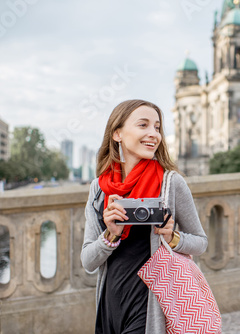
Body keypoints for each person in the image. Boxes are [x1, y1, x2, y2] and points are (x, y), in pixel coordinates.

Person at [81, 99, 208, 334]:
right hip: (109, 306)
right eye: (143, 125)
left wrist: (172, 237)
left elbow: (201, 243)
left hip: (149, 308)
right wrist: (110, 235)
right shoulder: (99, 189)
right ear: (117, 133)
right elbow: (88, 262)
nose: (153, 134)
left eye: (157, 127)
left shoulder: (171, 183)